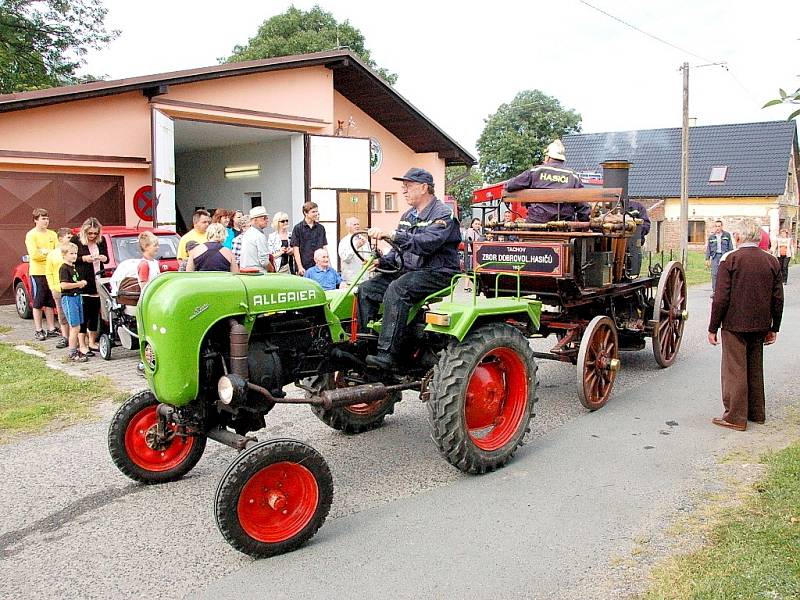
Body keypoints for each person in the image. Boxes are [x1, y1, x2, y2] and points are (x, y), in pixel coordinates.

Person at [358, 167, 462, 370]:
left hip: (439, 273)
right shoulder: (408, 215)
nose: (403, 190)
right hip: (411, 271)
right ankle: (364, 348)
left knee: (399, 289)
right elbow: (399, 251)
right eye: (403, 186)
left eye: (408, 186)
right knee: (366, 289)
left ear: (424, 187)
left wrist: (393, 235)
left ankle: (387, 355)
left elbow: (426, 243)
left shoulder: (443, 214)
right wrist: (382, 261)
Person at [708, 220, 783, 431]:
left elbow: (721, 298)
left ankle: (735, 417)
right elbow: (778, 298)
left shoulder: (730, 259)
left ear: (738, 237)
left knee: (734, 370)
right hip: (760, 324)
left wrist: (713, 327)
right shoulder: (772, 261)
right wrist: (774, 327)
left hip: (734, 324)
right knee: (755, 367)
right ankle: (757, 412)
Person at [504, 139, 589, 224]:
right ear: (563, 159)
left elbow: (509, 186)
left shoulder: (536, 171)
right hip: (563, 225)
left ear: (548, 157)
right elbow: (582, 206)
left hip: (536, 222)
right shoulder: (573, 176)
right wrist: (585, 223)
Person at [72, 218, 107, 355]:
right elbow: (72, 257)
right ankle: (82, 344)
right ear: (84, 231)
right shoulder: (76, 241)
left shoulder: (101, 240)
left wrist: (103, 258)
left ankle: (92, 341)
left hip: (97, 279)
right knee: (84, 314)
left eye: (95, 233)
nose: (92, 236)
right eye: (90, 233)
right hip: (84, 280)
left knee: (94, 313)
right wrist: (84, 258)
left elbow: (107, 257)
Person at [25, 208, 59, 341]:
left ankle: (51, 328)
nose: (46, 221)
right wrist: (46, 253)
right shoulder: (31, 235)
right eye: (43, 219)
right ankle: (38, 329)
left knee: (50, 301)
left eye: (47, 219)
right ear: (36, 220)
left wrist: (46, 252)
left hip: (51, 271)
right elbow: (34, 255)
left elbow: (57, 251)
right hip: (38, 272)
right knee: (38, 301)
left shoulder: (52, 234)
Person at [58, 242, 90, 362]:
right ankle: (72, 352)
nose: (74, 256)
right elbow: (64, 285)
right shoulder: (64, 268)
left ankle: (76, 349)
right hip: (69, 298)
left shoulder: (73, 267)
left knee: (78, 325)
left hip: (77, 297)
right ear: (64, 254)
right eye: (71, 253)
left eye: (75, 253)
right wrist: (78, 284)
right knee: (74, 327)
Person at [45, 227, 73, 349]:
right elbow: (49, 272)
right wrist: (52, 287)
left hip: (72, 288)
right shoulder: (53, 254)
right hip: (58, 288)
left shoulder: (74, 251)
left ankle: (75, 337)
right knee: (62, 314)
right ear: (60, 239)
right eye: (68, 237)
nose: (71, 239)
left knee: (73, 314)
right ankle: (65, 337)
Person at [291, 201, 328, 276]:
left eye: (317, 211)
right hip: (304, 266)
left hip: (319, 265)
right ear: (305, 213)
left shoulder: (321, 228)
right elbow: (296, 249)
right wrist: (300, 267)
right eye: (313, 212)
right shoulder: (298, 228)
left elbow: (324, 247)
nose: (316, 214)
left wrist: (328, 263)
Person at [705, 219, 734, 295]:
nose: (717, 228)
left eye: (719, 226)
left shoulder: (727, 235)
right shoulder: (712, 237)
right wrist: (707, 259)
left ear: (722, 227)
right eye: (716, 226)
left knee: (725, 273)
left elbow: (730, 246)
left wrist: (731, 257)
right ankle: (715, 291)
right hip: (715, 257)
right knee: (714, 274)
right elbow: (708, 248)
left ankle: (725, 291)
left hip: (724, 256)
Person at [239, 206, 272, 272]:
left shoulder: (247, 233)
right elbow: (264, 261)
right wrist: (272, 269)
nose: (267, 220)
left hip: (246, 272)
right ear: (255, 220)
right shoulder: (259, 235)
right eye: (264, 218)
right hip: (258, 273)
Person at [337, 216, 368, 284]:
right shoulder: (344, 241)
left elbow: (368, 257)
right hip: (351, 280)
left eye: (358, 224)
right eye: (354, 224)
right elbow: (346, 258)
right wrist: (356, 246)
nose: (357, 226)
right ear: (348, 227)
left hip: (365, 279)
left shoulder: (364, 240)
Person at [625, 200, 651, 277]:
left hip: (632, 244)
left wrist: (636, 231)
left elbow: (646, 226)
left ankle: (632, 271)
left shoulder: (637, 207)